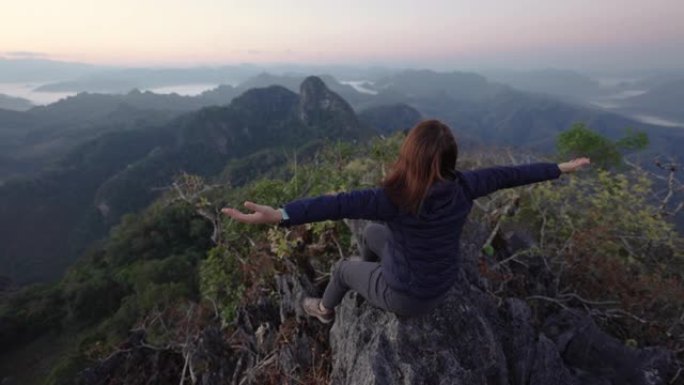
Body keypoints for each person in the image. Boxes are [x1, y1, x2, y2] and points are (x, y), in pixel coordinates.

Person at [222, 120, 590, 324]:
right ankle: (369, 275)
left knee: (342, 270)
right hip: (442, 281)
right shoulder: (464, 186)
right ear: (450, 160)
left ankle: (324, 309)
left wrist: (280, 215)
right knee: (372, 232)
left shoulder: (395, 199)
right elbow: (511, 174)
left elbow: (334, 206)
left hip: (408, 296)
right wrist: (557, 169)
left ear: (409, 157)